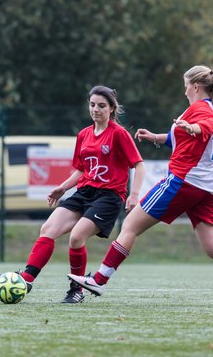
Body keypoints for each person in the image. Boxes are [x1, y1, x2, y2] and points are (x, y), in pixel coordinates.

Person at [68, 65, 213, 297]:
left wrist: (194, 127)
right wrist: (155, 137)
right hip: (204, 187)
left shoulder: (201, 110)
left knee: (130, 226)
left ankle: (99, 279)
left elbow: (206, 126)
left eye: (186, 85)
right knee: (210, 246)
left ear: (195, 86)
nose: (184, 90)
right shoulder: (202, 108)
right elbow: (184, 140)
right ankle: (99, 279)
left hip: (183, 181)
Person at [18, 85, 145, 303]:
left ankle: (76, 290)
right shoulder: (84, 135)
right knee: (48, 229)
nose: (96, 109)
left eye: (102, 106)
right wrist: (63, 188)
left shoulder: (119, 134)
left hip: (109, 196)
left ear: (112, 108)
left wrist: (133, 195)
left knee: (76, 237)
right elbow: (81, 169)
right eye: (92, 104)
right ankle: (26, 280)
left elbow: (139, 165)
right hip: (84, 192)